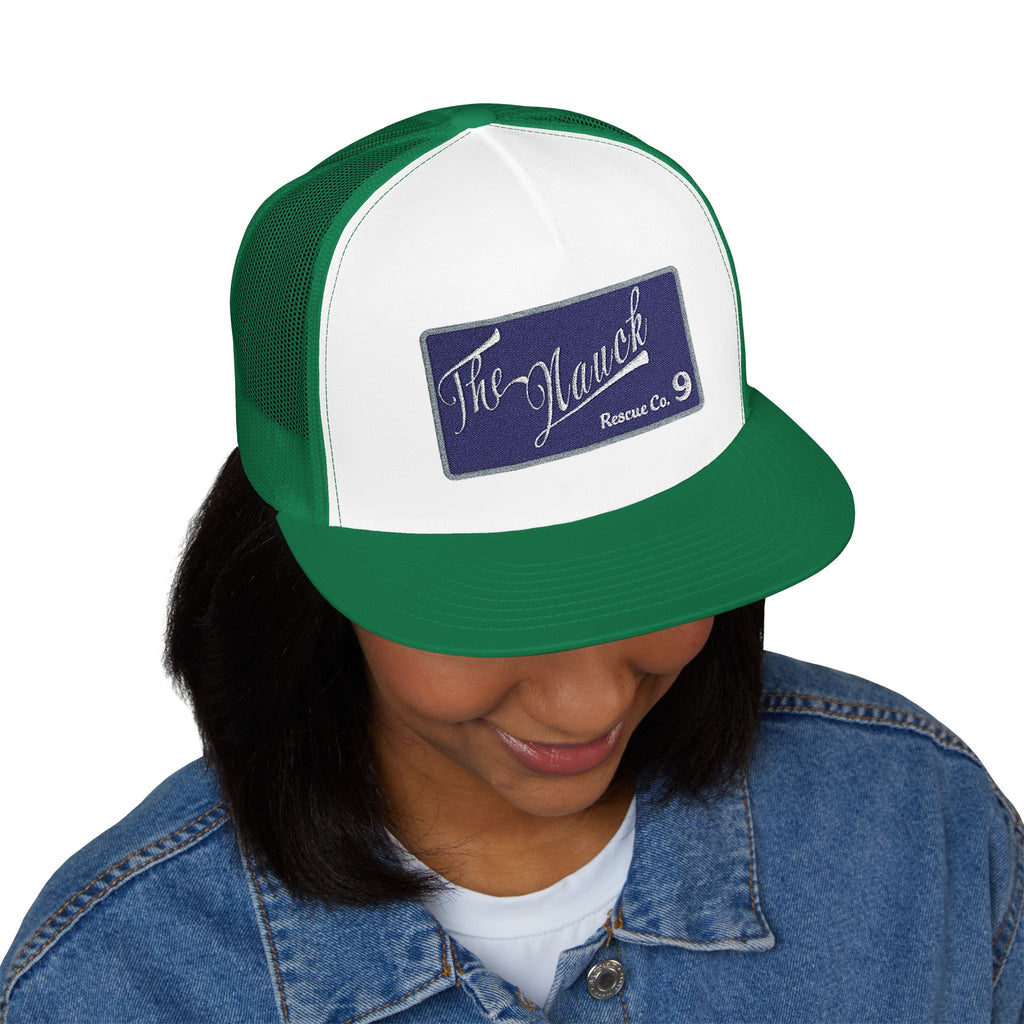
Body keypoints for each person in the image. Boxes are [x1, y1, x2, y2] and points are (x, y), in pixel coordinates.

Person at [1, 101, 1020, 1023]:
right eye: (494, 610)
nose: (588, 703)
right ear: (297, 573)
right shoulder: (117, 985)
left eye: (656, 578)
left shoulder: (922, 834)